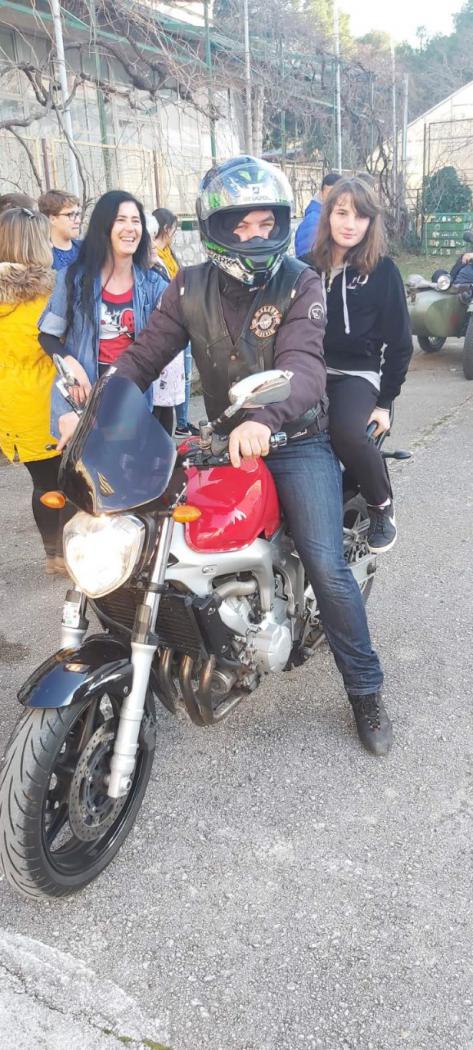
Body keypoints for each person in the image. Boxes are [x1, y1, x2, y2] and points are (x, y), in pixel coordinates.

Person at [61, 155, 392, 757]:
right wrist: (94, 415)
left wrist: (265, 419)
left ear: (281, 224)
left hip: (295, 439)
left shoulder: (300, 281)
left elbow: (304, 367)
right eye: (240, 224)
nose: (254, 235)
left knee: (325, 563)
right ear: (215, 227)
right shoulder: (188, 285)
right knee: (148, 539)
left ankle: (365, 689)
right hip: (220, 438)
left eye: (265, 223)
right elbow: (142, 357)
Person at [307, 176, 413, 554]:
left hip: (357, 373)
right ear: (328, 216)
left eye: (360, 216)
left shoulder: (383, 271)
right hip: (310, 371)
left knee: (348, 434)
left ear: (371, 222)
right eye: (342, 213)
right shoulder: (305, 269)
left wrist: (384, 403)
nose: (350, 224)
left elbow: (400, 344)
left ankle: (381, 506)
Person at [38, 190, 167, 442]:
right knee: (86, 466)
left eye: (136, 220)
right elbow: (47, 336)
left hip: (130, 399)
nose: (130, 228)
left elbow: (167, 337)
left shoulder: (153, 284)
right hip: (80, 399)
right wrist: (70, 364)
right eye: (121, 219)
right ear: (104, 226)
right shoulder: (73, 279)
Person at [0, 206, 66, 574]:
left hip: (11, 404)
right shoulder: (46, 294)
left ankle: (52, 554)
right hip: (48, 401)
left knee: (42, 482)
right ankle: (69, 554)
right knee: (67, 482)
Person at [152, 207, 198, 436]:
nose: (174, 233)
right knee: (163, 392)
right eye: (173, 228)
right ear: (165, 228)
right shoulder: (153, 256)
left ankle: (182, 422)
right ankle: (178, 425)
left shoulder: (168, 253)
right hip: (165, 325)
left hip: (182, 319)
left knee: (182, 379)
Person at [144, 211, 185, 435]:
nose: (153, 244)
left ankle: (166, 450)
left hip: (167, 352)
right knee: (152, 413)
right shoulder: (140, 273)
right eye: (147, 239)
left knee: (165, 409)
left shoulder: (159, 265)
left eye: (153, 237)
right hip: (151, 350)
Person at [294, 172, 342, 260]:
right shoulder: (314, 221)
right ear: (321, 194)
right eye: (330, 194)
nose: (334, 199)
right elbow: (309, 259)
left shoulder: (329, 216)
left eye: (339, 194)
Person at [38, 189, 82, 270]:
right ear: (52, 219)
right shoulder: (41, 257)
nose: (78, 220)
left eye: (77, 214)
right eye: (71, 215)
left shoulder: (86, 250)